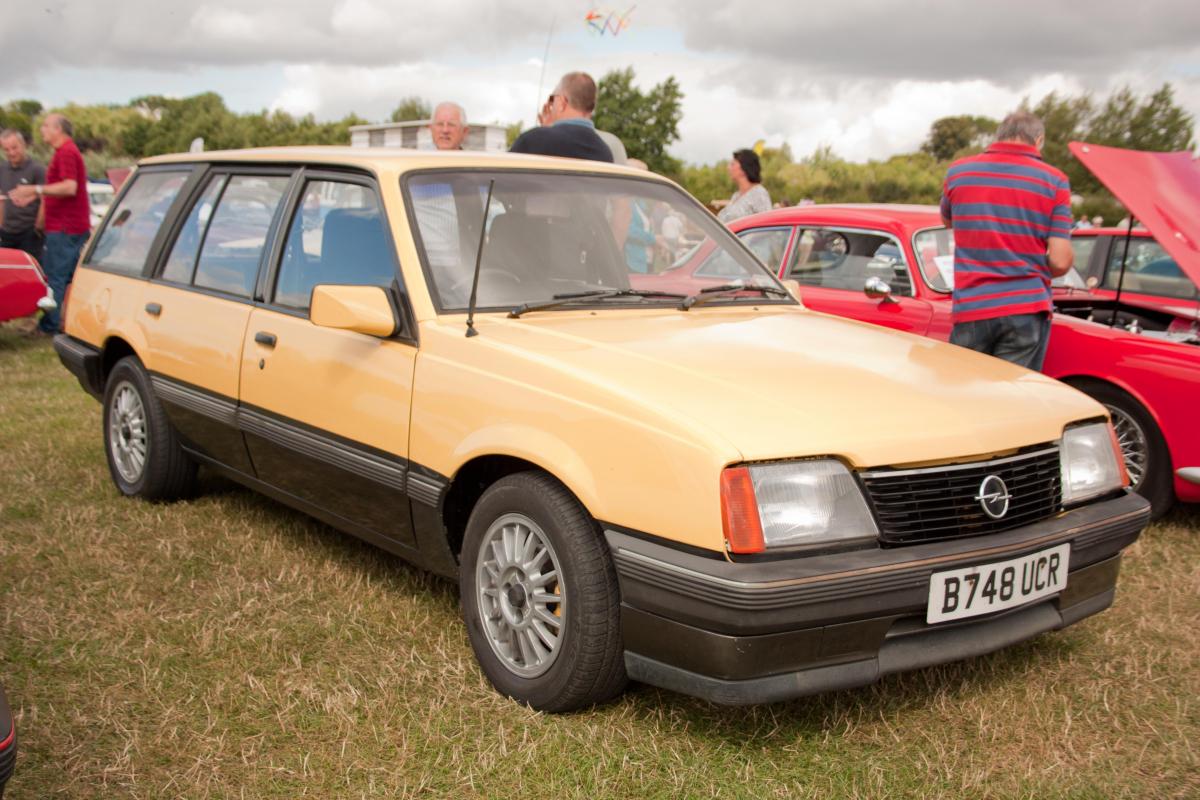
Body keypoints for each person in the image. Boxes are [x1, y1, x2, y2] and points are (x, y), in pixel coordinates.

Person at [940, 111, 1073, 370]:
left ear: (998, 136)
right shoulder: (1055, 181)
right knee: (1013, 401)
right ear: (1039, 140)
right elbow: (1059, 260)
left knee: (960, 396)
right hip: (1026, 306)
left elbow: (948, 220)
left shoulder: (958, 171)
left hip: (972, 305)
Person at [8, 113, 90, 334]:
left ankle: (50, 326)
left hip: (65, 227)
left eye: (45, 126)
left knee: (54, 277)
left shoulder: (66, 153)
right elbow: (61, 189)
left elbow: (69, 187)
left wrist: (34, 189)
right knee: (68, 276)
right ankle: (64, 321)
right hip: (68, 225)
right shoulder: (65, 152)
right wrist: (33, 196)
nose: (42, 129)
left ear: (58, 130)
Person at [510, 72, 614, 162]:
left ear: (562, 102)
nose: (551, 105)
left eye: (552, 99)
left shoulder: (532, 141)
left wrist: (543, 132)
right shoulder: (605, 154)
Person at [0, 129, 46, 264]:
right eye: (6, 149)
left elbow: (46, 199)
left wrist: (38, 227)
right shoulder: (2, 170)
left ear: (23, 145)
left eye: (15, 147)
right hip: (7, 233)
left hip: (29, 232)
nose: (11, 153)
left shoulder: (37, 169)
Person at [717, 149, 770, 223]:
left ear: (744, 168)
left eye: (733, 164)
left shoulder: (759, 194)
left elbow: (766, 225)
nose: (728, 168)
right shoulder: (736, 196)